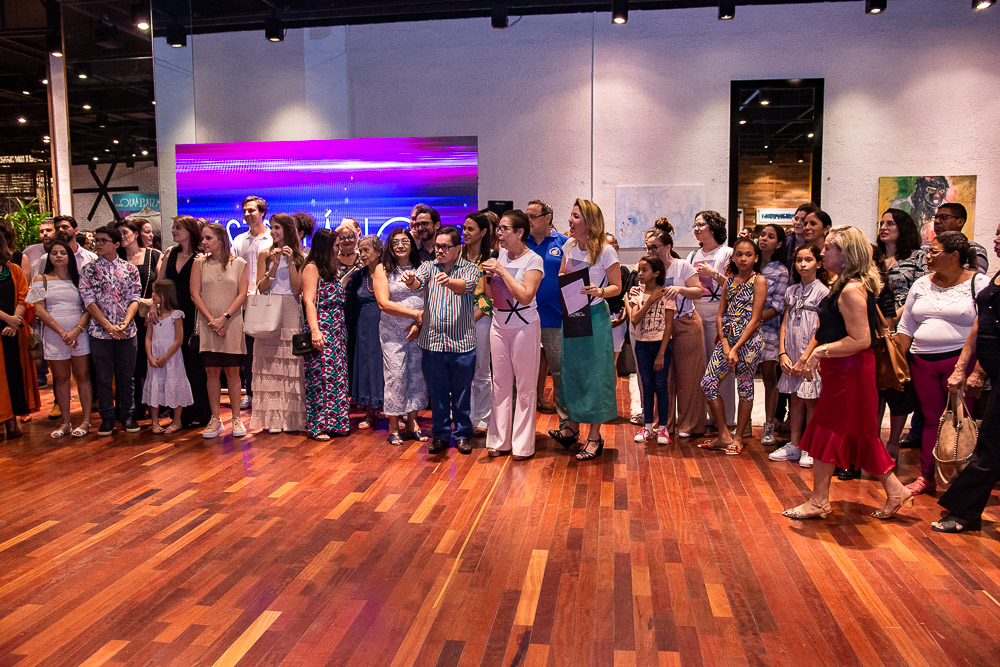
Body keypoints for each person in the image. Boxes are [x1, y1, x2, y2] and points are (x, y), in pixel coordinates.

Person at [782, 226, 912, 521]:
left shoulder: (851, 290)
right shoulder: (846, 284)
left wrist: (819, 352)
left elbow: (860, 340)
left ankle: (819, 501)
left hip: (849, 373)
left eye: (828, 248)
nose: (822, 252)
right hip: (846, 371)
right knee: (855, 433)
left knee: (828, 430)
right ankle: (895, 490)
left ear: (846, 254)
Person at [895, 231, 987, 496]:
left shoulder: (978, 283)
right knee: (930, 419)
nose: (928, 257)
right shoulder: (921, 284)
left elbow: (987, 328)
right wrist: (899, 364)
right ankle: (927, 477)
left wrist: (975, 371)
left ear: (954, 255)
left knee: (961, 421)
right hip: (922, 362)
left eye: (934, 252)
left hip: (959, 363)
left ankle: (963, 481)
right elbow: (906, 326)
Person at [931, 222, 1000, 533]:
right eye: (996, 232)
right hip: (994, 371)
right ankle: (965, 510)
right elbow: (981, 325)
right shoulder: (997, 276)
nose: (995, 239)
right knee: (992, 443)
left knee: (990, 443)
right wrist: (964, 366)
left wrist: (979, 370)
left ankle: (964, 510)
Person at [548, 199, 622, 460]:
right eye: (571, 215)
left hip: (595, 317)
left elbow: (617, 287)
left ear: (589, 222)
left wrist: (599, 291)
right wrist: (566, 282)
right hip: (572, 313)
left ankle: (595, 437)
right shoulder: (568, 246)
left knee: (595, 374)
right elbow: (561, 273)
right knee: (572, 370)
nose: (570, 220)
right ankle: (571, 429)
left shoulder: (606, 251)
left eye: (576, 216)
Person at [403, 226, 480, 455]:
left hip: (462, 344)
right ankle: (441, 436)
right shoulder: (428, 266)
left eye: (445, 247)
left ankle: (463, 435)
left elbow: (466, 286)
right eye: (437, 246)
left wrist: (449, 282)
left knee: (462, 394)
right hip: (433, 344)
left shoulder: (470, 268)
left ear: (458, 248)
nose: (440, 251)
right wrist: (410, 281)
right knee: (437, 394)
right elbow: (417, 283)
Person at [482, 210, 544, 459]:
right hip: (499, 324)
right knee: (500, 385)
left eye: (504, 228)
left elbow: (526, 295)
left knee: (526, 387)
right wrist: (488, 277)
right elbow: (490, 295)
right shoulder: (498, 256)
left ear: (519, 232)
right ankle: (499, 440)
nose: (499, 233)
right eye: (498, 228)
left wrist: (502, 271)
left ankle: (522, 445)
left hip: (524, 326)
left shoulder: (533, 260)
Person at [698, 237, 766, 456]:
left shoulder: (759, 281)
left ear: (756, 258)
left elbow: (755, 319)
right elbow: (721, 315)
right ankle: (723, 435)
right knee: (708, 382)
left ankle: (738, 437)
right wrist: (726, 343)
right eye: (739, 254)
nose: (743, 258)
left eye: (748, 254)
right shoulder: (729, 281)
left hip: (749, 342)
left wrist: (736, 348)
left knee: (744, 387)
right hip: (727, 340)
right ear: (733, 257)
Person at [25, 240, 93, 438]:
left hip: (79, 333)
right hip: (54, 335)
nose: (59, 256)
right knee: (61, 378)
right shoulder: (41, 279)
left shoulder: (79, 279)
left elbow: (88, 308)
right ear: (49, 257)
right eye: (54, 253)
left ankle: (86, 421)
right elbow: (39, 309)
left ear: (69, 256)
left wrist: (76, 331)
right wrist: (63, 332)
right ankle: (65, 422)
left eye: (63, 252)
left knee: (82, 376)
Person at [79, 224, 142, 436]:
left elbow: (135, 298)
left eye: (103, 241)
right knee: (103, 378)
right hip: (100, 332)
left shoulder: (129, 269)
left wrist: (125, 322)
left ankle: (128, 416)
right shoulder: (89, 269)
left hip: (126, 331)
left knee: (126, 377)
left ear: (116, 244)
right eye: (96, 240)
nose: (98, 244)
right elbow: (88, 301)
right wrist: (108, 326)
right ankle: (106, 418)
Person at [769, 244, 829, 467]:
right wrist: (782, 352)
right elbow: (785, 321)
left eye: (808, 260)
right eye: (799, 260)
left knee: (811, 400)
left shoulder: (823, 292)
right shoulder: (791, 291)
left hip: (810, 353)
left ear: (819, 263)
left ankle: (810, 446)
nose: (803, 264)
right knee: (794, 398)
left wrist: (806, 357)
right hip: (791, 351)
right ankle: (794, 444)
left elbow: (821, 328)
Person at [643, 224, 705, 437]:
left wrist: (680, 289)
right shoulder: (649, 269)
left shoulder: (682, 266)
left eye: (655, 247)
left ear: (667, 247)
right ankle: (663, 425)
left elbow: (698, 291)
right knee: (662, 378)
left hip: (685, 323)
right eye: (648, 247)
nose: (651, 251)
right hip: (659, 327)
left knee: (689, 376)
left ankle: (689, 425)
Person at [875, 208, 927, 455]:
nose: (884, 228)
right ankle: (872, 440)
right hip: (876, 326)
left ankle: (893, 442)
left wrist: (897, 315)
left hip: (904, 328)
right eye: (881, 223)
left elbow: (921, 289)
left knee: (898, 387)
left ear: (903, 228)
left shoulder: (917, 257)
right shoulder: (875, 257)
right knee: (875, 388)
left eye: (890, 224)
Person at [192, 222, 249, 439]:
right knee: (212, 371)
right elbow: (195, 294)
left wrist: (224, 318)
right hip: (209, 325)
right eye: (203, 238)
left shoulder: (239, 263)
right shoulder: (199, 263)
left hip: (232, 323)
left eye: (208, 238)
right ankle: (215, 418)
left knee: (233, 371)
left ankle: (236, 418)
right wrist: (212, 321)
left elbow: (242, 293)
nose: (204, 242)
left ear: (221, 239)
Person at [250, 213, 306, 434]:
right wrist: (273, 266)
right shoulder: (264, 254)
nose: (273, 232)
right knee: (270, 362)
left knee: (291, 361)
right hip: (269, 307)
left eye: (277, 228)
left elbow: (298, 289)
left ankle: (291, 418)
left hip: (291, 307)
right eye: (271, 227)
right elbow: (261, 287)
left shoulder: (300, 256)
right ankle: (272, 418)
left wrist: (290, 262)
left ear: (288, 230)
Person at [374, 228, 427, 445]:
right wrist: (416, 314)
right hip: (393, 332)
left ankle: (413, 422)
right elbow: (383, 303)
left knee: (416, 375)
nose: (400, 245)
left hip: (418, 330)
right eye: (395, 242)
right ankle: (394, 425)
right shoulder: (383, 269)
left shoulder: (421, 267)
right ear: (389, 246)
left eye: (405, 241)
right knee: (396, 376)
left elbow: (429, 298)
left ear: (411, 244)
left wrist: (419, 323)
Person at [159, 215, 211, 428]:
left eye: (178, 227)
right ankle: (180, 414)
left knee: (195, 365)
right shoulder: (170, 253)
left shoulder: (201, 256)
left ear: (190, 231)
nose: (173, 231)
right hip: (171, 314)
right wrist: (155, 306)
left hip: (194, 314)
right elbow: (160, 283)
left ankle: (201, 412)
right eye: (173, 227)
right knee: (175, 366)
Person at [687, 210, 736, 428]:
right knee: (702, 367)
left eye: (701, 224)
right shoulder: (691, 256)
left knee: (722, 367)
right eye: (695, 225)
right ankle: (709, 414)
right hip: (697, 314)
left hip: (719, 315)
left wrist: (713, 274)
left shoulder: (727, 253)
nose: (696, 228)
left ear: (713, 226)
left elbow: (735, 287)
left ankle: (727, 418)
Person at [302, 229, 351, 440]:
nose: (338, 249)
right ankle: (318, 426)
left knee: (336, 378)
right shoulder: (311, 268)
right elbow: (309, 301)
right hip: (322, 328)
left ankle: (337, 423)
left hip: (337, 330)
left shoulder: (331, 269)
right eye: (335, 245)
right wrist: (315, 331)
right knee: (320, 378)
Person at [525, 199, 569, 417]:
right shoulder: (521, 243)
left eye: (533, 217)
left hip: (555, 318)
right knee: (525, 372)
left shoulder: (565, 243)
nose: (529, 221)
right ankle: (524, 424)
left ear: (547, 218)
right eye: (527, 217)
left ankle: (566, 423)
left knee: (560, 372)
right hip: (525, 318)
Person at [116, 218, 162, 422]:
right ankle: (130, 407)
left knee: (150, 361)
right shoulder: (116, 259)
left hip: (149, 316)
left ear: (135, 234)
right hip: (122, 318)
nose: (122, 237)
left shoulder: (154, 255)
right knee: (128, 364)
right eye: (118, 234)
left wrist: (153, 306)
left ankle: (155, 405)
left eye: (125, 232)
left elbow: (161, 285)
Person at [627, 255, 676, 445]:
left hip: (660, 345)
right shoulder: (635, 293)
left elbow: (669, 326)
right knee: (646, 384)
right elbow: (634, 319)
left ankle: (662, 428)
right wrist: (649, 301)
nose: (640, 273)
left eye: (644, 270)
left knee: (661, 385)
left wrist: (662, 353)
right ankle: (647, 426)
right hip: (642, 344)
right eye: (639, 269)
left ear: (656, 273)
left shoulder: (666, 294)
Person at [232, 196, 273, 411]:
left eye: (252, 210)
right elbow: (235, 269)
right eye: (245, 211)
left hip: (270, 302)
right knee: (249, 351)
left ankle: (269, 392)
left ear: (262, 212)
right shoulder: (240, 240)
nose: (247, 214)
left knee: (269, 349)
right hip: (247, 304)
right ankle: (250, 392)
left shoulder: (272, 239)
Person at [1, 232, 41, 438]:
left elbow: (24, 296)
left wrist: (15, 322)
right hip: (5, 324)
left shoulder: (13, 269)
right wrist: (8, 319)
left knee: (14, 375)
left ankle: (12, 421)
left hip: (14, 331)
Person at [143, 280, 193, 434]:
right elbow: (148, 337)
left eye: (156, 293)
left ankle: (177, 421)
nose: (153, 295)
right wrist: (150, 357)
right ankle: (155, 421)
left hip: (171, 358)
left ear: (166, 294)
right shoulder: (153, 315)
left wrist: (165, 357)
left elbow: (179, 340)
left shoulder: (176, 315)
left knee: (174, 384)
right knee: (155, 386)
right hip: (155, 357)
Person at [346, 235, 385, 429]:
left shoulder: (388, 272)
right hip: (363, 327)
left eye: (366, 250)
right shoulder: (358, 276)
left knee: (386, 366)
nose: (361, 254)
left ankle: (395, 411)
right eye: (360, 250)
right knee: (366, 366)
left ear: (378, 251)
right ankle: (370, 412)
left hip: (386, 323)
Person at [757, 224, 789, 446]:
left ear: (778, 244)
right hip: (744, 329)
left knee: (769, 377)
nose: (764, 239)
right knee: (745, 377)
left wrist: (754, 320)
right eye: (762, 235)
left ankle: (769, 423)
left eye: (770, 236)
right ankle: (743, 423)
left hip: (767, 328)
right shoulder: (750, 263)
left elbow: (777, 306)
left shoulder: (780, 271)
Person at [462, 212, 494, 437]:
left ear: (483, 232)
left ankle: (482, 419)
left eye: (470, 229)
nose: (465, 233)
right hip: (454, 317)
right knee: (460, 370)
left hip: (481, 317)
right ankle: (463, 416)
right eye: (464, 228)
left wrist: (472, 317)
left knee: (481, 369)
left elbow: (491, 297)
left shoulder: (491, 260)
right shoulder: (456, 255)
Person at [930, 203, 988, 274]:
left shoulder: (975, 249)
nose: (937, 221)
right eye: (936, 218)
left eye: (944, 217)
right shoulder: (925, 248)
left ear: (960, 222)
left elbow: (973, 277)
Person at [783, 203, 819, 269]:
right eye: (796, 219)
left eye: (803, 220)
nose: (798, 223)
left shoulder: (817, 242)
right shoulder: (785, 240)